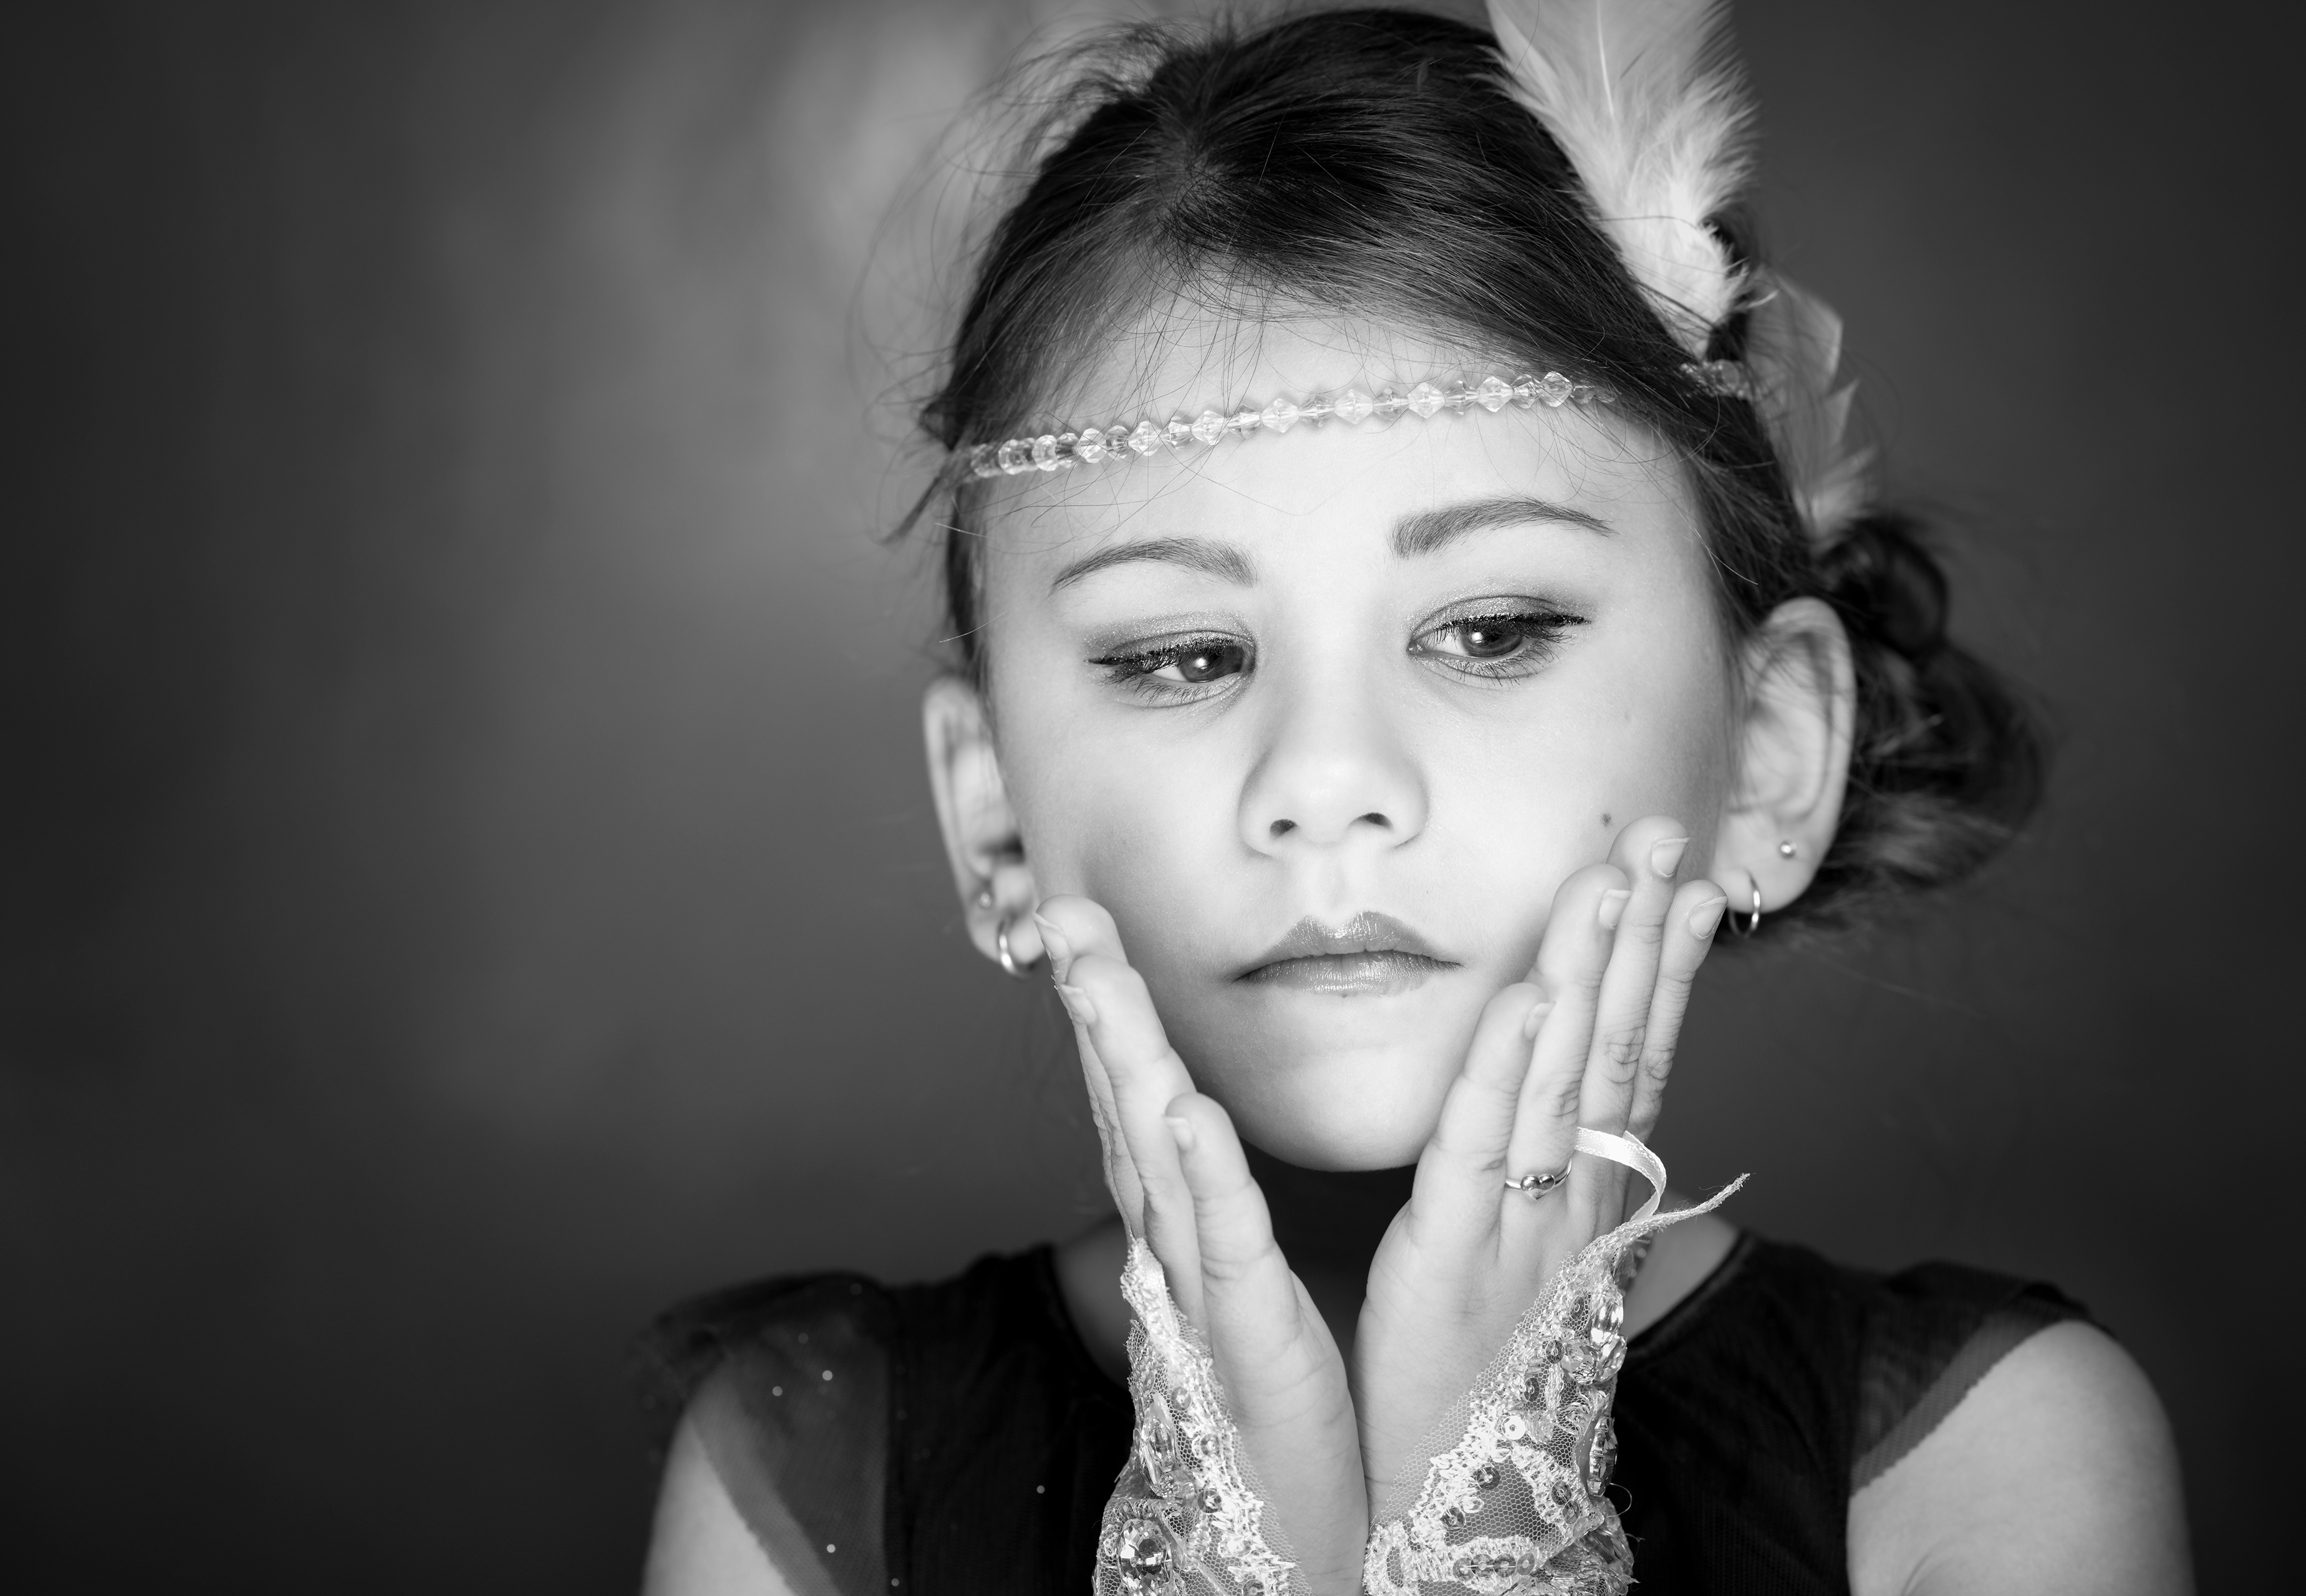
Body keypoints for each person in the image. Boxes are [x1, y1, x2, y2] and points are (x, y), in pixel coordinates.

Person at [639, 6, 2193, 1592]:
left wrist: (1497, 1525)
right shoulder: (813, 1468)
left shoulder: (1986, 1466)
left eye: (1492, 631)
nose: (1328, 782)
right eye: (1183, 656)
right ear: (992, 813)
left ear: (1770, 745)